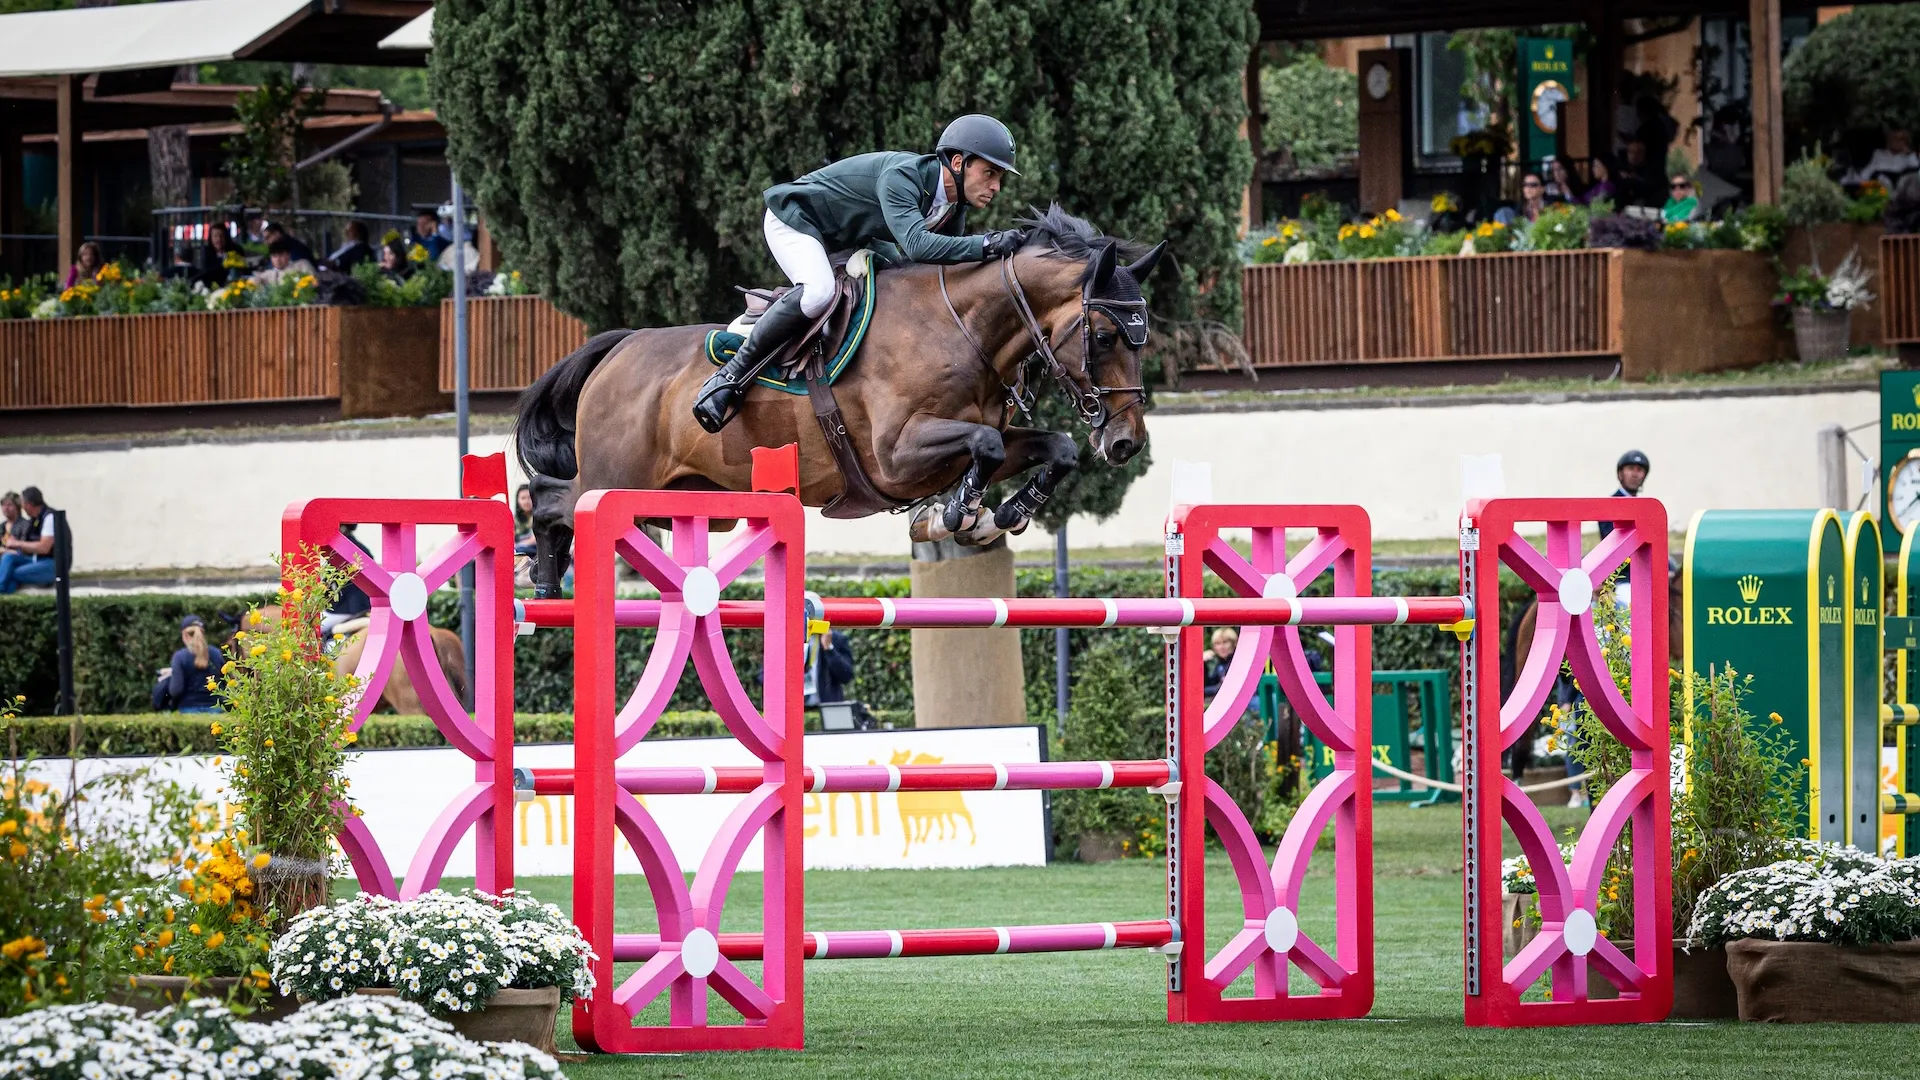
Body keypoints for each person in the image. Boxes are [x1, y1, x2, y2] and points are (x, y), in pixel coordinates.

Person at [692, 114, 1030, 433]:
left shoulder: (950, 208)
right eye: (990, 173)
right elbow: (918, 246)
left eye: (999, 177)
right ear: (958, 163)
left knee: (898, 288)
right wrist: (988, 243)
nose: (996, 186)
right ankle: (728, 377)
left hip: (848, 237)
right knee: (819, 292)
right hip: (797, 220)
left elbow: (940, 271)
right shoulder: (903, 177)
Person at [152, 615, 226, 713]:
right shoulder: (216, 653)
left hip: (187, 709)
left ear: (184, 635)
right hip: (216, 709)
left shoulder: (180, 657)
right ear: (203, 633)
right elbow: (225, 681)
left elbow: (176, 690)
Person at [0, 487, 56, 593]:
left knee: (11, 572)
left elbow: (44, 548)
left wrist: (16, 544)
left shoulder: (49, 517)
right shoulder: (34, 520)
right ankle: (3, 595)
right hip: (35, 559)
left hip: (51, 563)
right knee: (8, 558)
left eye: (22, 504)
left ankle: (2, 591)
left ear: (28, 504)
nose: (22, 507)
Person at [1597, 450, 1649, 540]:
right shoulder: (1608, 506)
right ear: (1620, 474)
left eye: (1639, 470)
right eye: (1630, 468)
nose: (1634, 474)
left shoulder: (1646, 508)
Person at [1844, 128, 1920, 187]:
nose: (1897, 142)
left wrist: (1910, 154)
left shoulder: (1908, 157)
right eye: (1895, 138)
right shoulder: (1879, 153)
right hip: (1877, 186)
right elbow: (1868, 172)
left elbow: (1915, 170)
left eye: (1901, 139)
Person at [806, 628, 856, 706]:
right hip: (797, 706)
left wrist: (829, 649)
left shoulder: (836, 638)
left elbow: (847, 676)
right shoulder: (792, 636)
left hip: (827, 706)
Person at [252, 238, 317, 287]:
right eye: (274, 256)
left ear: (288, 255)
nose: (277, 259)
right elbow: (254, 280)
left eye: (281, 255)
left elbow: (315, 282)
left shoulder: (302, 265)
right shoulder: (269, 273)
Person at [1203, 627, 1238, 700]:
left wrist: (1201, 691)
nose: (1222, 647)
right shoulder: (1219, 663)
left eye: (1225, 642)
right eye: (1218, 643)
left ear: (1234, 643)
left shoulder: (1238, 661)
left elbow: (1225, 689)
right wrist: (1203, 664)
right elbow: (1209, 683)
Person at [513, 484, 537, 557]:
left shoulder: (538, 517)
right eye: (523, 498)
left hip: (534, 551)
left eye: (529, 498)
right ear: (518, 500)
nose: (526, 501)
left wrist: (518, 546)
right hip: (518, 551)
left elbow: (535, 539)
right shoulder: (514, 519)